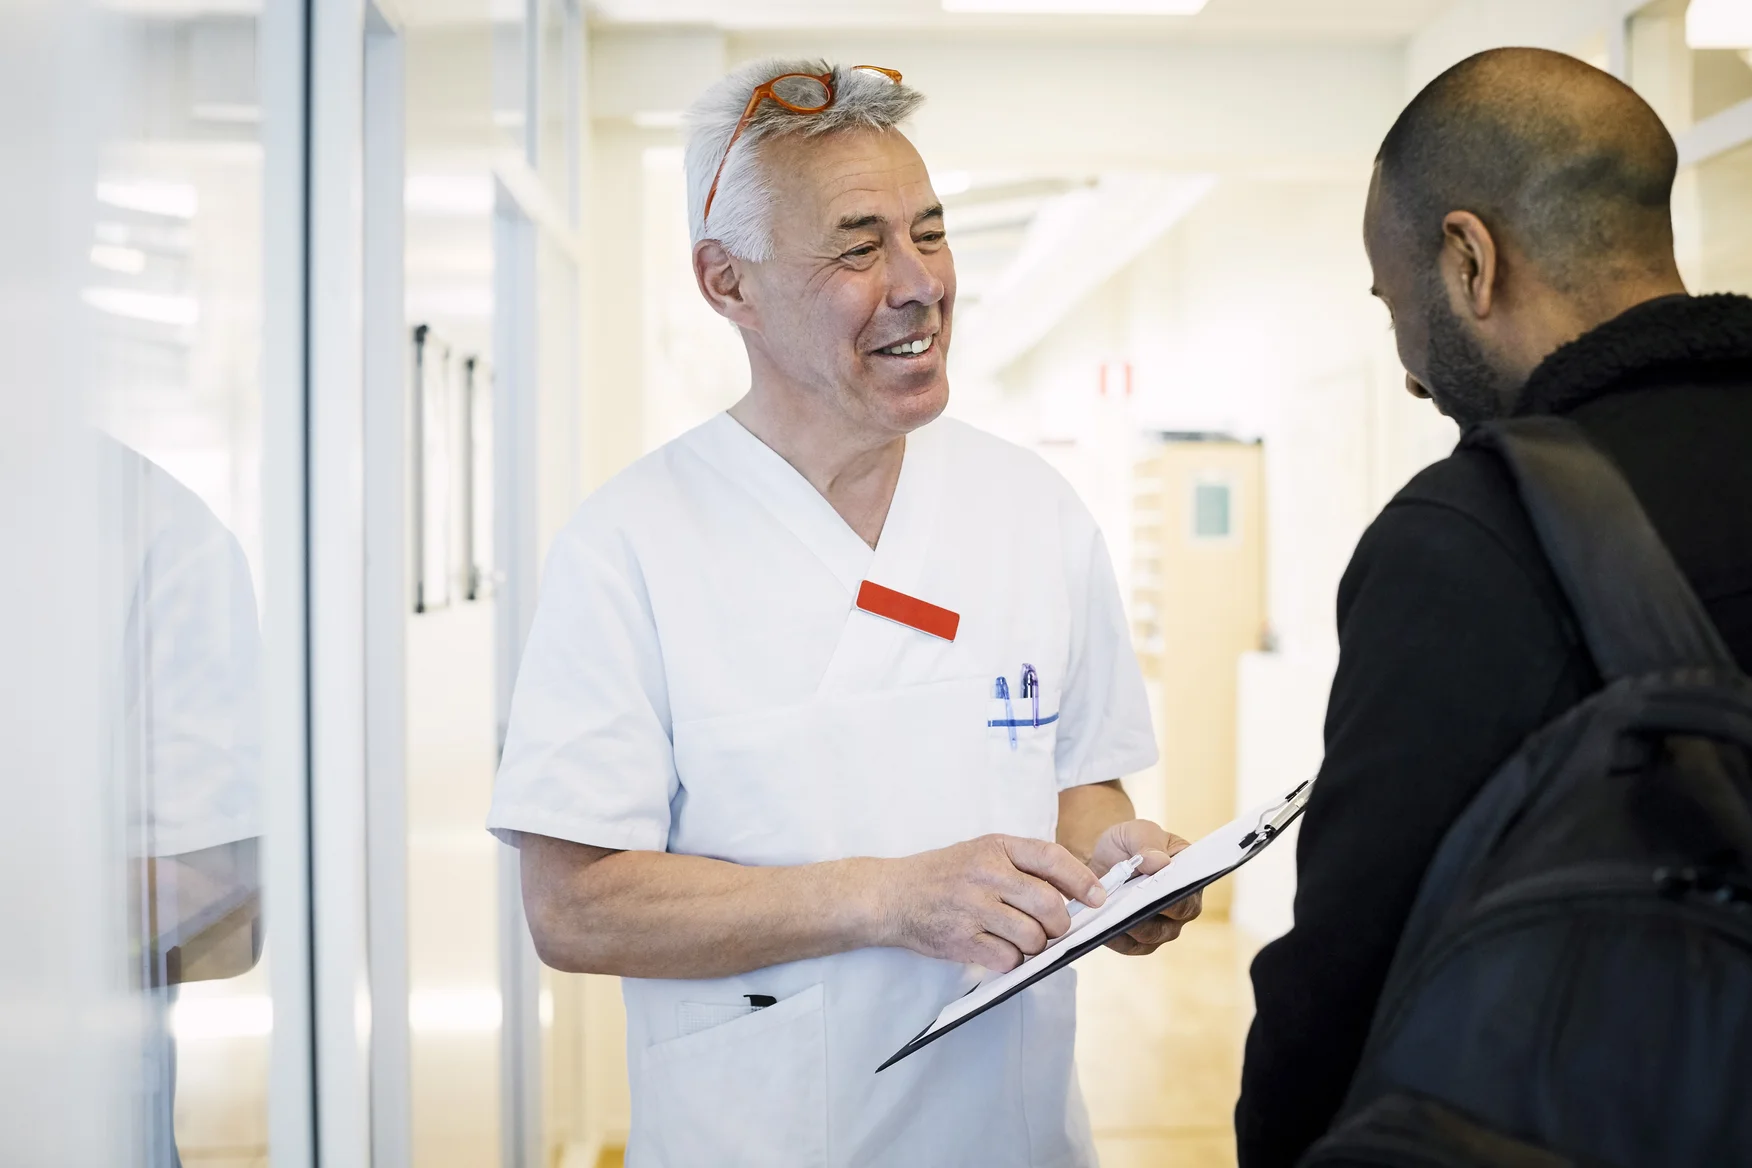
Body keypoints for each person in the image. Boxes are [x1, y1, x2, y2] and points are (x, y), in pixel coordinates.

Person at [487, 60, 1200, 1167]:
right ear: (728, 284)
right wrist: (885, 897)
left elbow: (1079, 781)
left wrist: (1112, 865)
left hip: (1011, 1137)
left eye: (930, 231)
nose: (919, 283)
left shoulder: (1034, 512)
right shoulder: (630, 545)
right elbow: (574, 909)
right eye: (860, 247)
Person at [1236, 47, 1752, 1167]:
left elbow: (1347, 968)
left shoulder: (1474, 532)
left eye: (1397, 307)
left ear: (1470, 259)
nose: (1414, 374)